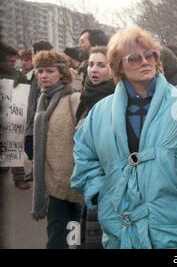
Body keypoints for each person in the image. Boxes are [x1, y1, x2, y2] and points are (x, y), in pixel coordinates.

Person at [71, 27, 177, 249]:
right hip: (118, 227)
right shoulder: (100, 112)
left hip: (170, 227)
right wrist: (98, 190)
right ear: (118, 67)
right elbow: (84, 153)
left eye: (150, 55)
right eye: (134, 57)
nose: (145, 61)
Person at [30, 50, 83, 249]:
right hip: (52, 181)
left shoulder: (74, 99)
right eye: (40, 70)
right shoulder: (43, 100)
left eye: (50, 71)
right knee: (56, 231)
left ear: (62, 73)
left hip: (74, 179)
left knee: (74, 230)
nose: (43, 75)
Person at [74, 46, 115, 249]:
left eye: (101, 65)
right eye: (91, 64)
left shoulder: (114, 99)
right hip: (91, 184)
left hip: (109, 187)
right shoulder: (87, 95)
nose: (94, 70)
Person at [23, 40, 54, 183]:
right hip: (31, 115)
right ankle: (36, 171)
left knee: (34, 147)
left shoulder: (50, 71)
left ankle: (40, 173)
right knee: (30, 148)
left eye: (33, 52)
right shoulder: (34, 72)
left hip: (41, 116)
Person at [0, 43, 29, 189]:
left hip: (14, 119)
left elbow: (25, 97)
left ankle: (19, 178)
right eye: (8, 61)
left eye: (13, 61)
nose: (12, 64)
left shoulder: (19, 75)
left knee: (15, 147)